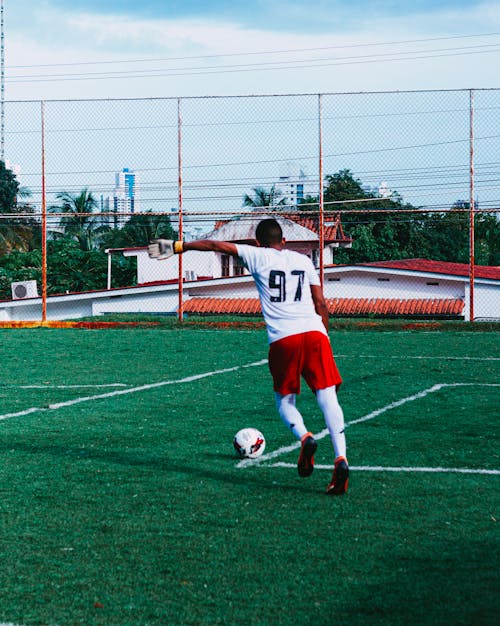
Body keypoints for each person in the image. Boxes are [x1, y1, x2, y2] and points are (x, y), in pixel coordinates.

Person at [148, 218, 349, 495]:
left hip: (284, 338)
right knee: (328, 397)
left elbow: (215, 245)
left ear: (258, 242)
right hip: (315, 334)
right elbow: (321, 304)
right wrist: (324, 337)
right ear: (284, 241)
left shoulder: (257, 255)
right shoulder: (304, 261)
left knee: (285, 401)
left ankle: (305, 437)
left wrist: (179, 246)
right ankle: (341, 458)